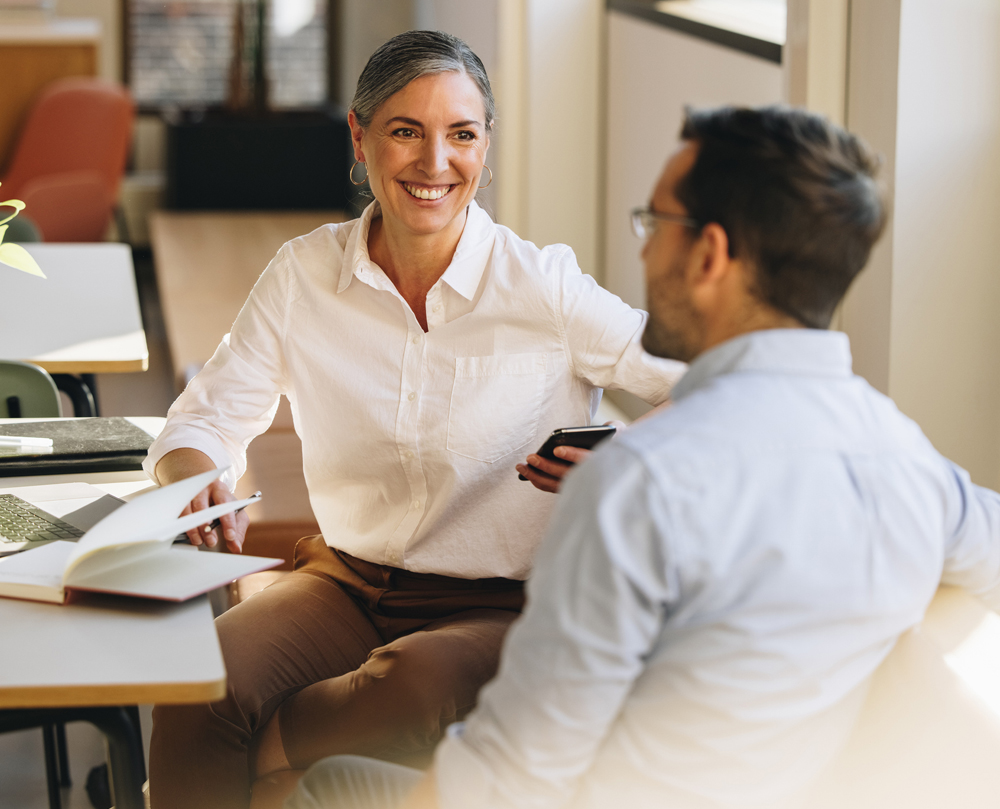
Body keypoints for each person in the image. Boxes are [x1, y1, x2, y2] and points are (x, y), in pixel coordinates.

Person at [284, 105, 1000, 809]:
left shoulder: (641, 482)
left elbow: (515, 771)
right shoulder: (909, 459)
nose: (642, 250)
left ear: (709, 255)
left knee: (333, 786)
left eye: (654, 224)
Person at [144, 30, 682, 809]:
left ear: (485, 147)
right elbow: (202, 419)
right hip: (346, 582)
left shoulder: (544, 288)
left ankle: (263, 757)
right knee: (205, 676)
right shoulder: (304, 275)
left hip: (503, 602)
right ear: (360, 139)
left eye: (461, 134)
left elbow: (711, 386)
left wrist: (632, 453)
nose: (436, 163)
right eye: (406, 131)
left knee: (414, 684)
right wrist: (195, 481)